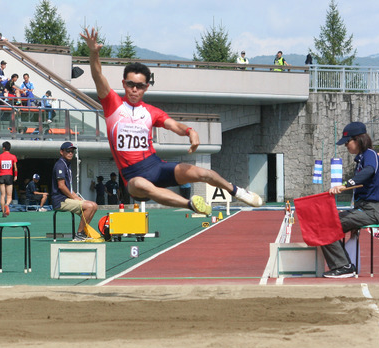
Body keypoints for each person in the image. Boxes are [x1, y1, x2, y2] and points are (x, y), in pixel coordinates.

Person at [80, 27, 263, 216]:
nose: (134, 89)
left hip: (156, 166)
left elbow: (174, 125)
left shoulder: (151, 112)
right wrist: (94, 54)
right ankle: (190, 204)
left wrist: (190, 131)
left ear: (146, 87)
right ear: (123, 84)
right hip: (132, 177)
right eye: (130, 84)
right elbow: (98, 76)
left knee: (204, 173)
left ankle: (237, 191)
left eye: (139, 86)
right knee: (142, 185)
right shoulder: (113, 105)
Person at [322, 122, 379, 278]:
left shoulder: (370, 155)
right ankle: (344, 264)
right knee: (326, 225)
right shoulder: (361, 159)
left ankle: (344, 266)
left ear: (358, 140)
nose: (346, 146)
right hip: (363, 209)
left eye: (347, 142)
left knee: (327, 225)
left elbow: (369, 171)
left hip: (372, 210)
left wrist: (345, 185)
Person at [52, 142, 98, 242]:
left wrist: (76, 197)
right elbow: (61, 186)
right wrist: (74, 198)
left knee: (94, 205)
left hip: (66, 199)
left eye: (72, 151)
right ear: (61, 152)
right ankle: (79, 234)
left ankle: (84, 232)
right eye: (68, 151)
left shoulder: (66, 165)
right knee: (89, 206)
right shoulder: (60, 164)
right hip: (60, 200)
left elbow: (69, 189)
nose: (70, 153)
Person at [0, 141, 18, 217]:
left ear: (3, 148)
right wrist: (15, 176)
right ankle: (7, 205)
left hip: (2, 176)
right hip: (9, 176)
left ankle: (3, 212)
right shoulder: (13, 157)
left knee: (2, 195)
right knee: (9, 196)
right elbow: (15, 168)